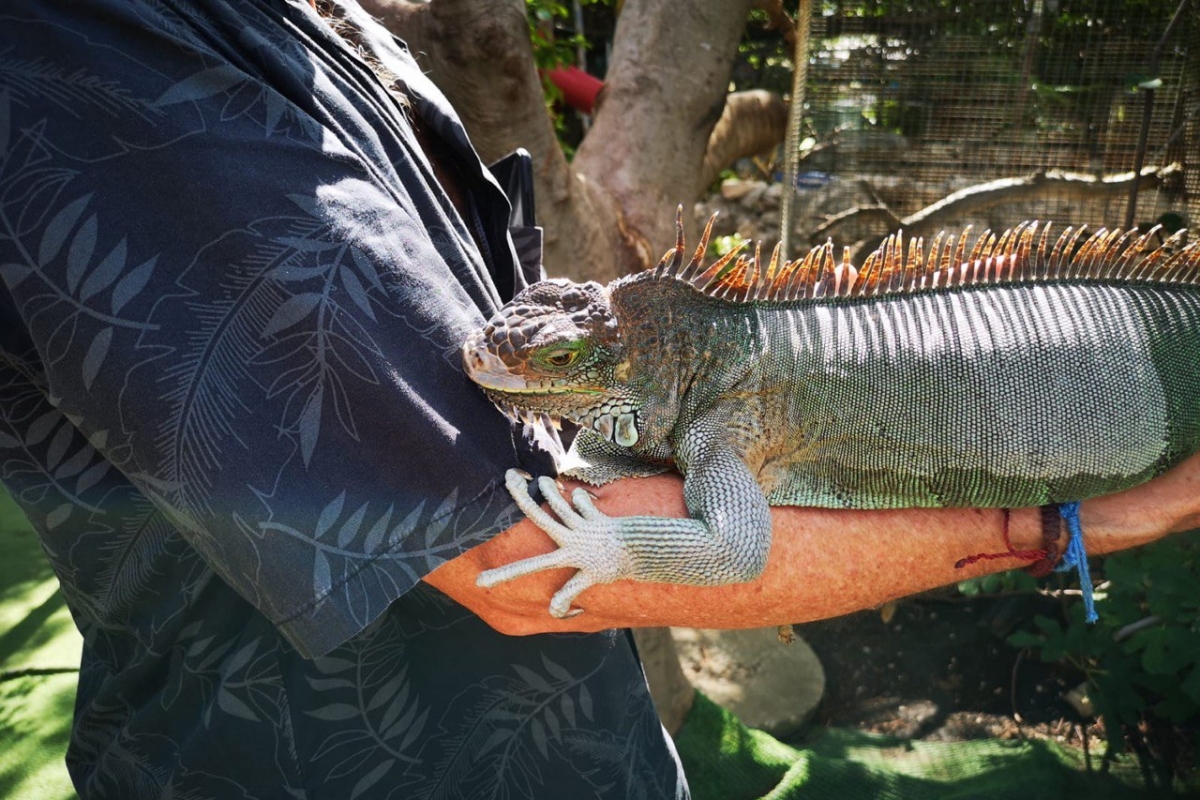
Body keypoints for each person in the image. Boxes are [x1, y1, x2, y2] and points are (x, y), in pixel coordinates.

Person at [1, 1, 1196, 798]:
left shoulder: (317, 21)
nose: (505, 367)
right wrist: (1071, 523)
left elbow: (689, 536)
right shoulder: (110, 57)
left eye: (571, 364)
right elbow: (543, 557)